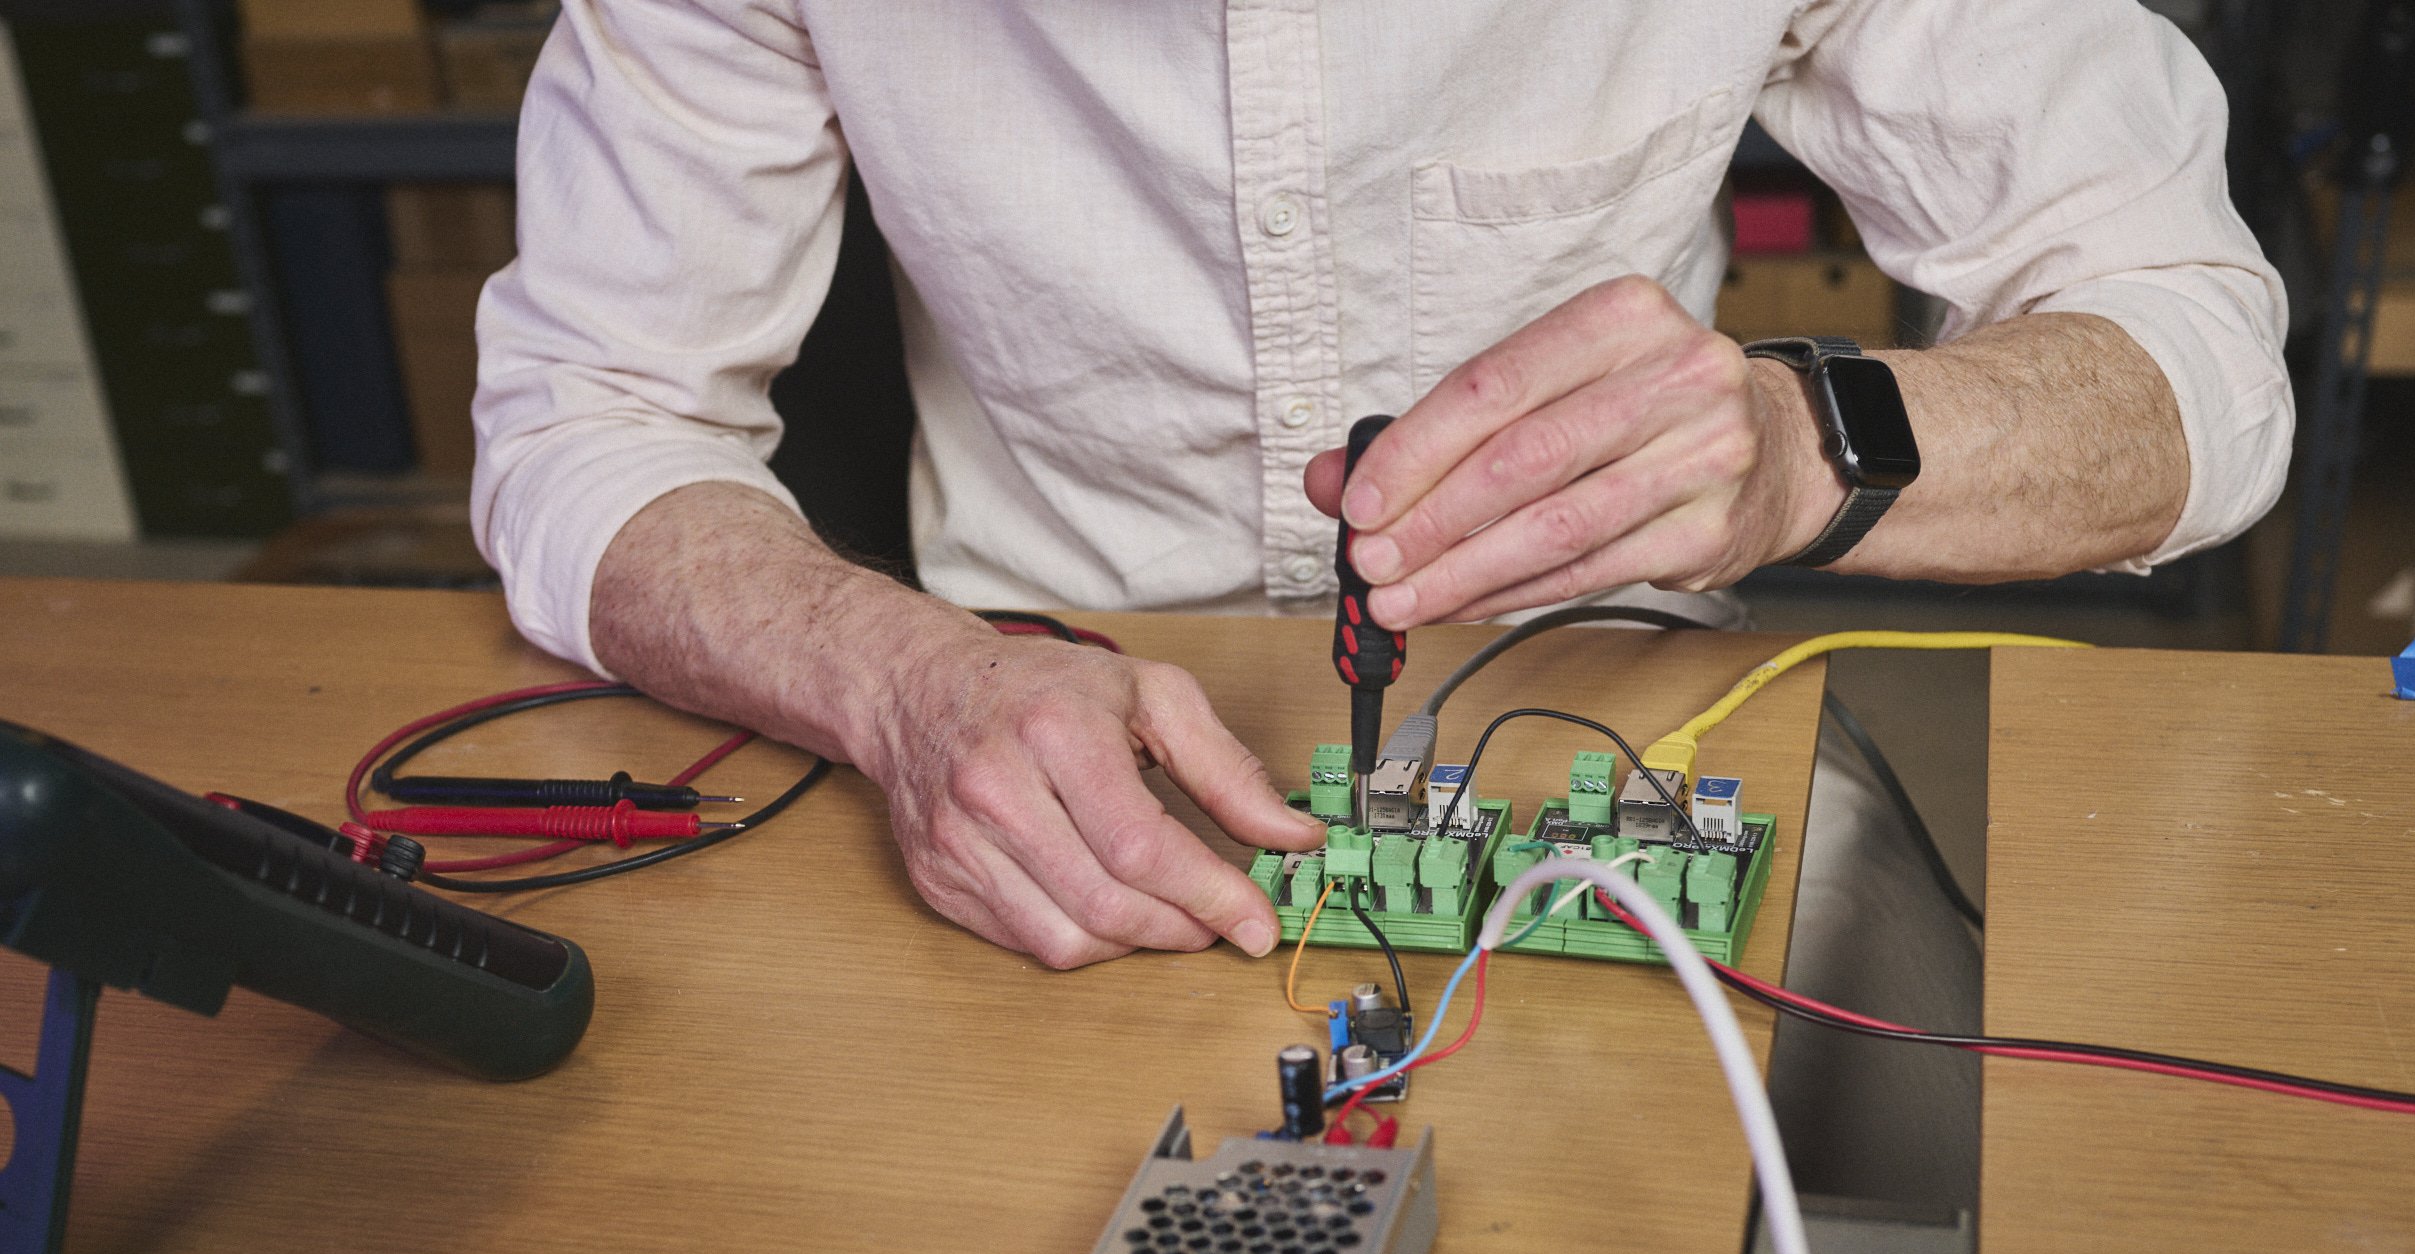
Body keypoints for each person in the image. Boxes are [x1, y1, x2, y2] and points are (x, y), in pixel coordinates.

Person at [472, 0, 2290, 975]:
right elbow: (584, 416)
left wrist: (1804, 447)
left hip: (1612, 788)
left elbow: (2200, 363)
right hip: (1012, 806)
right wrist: (903, 685)